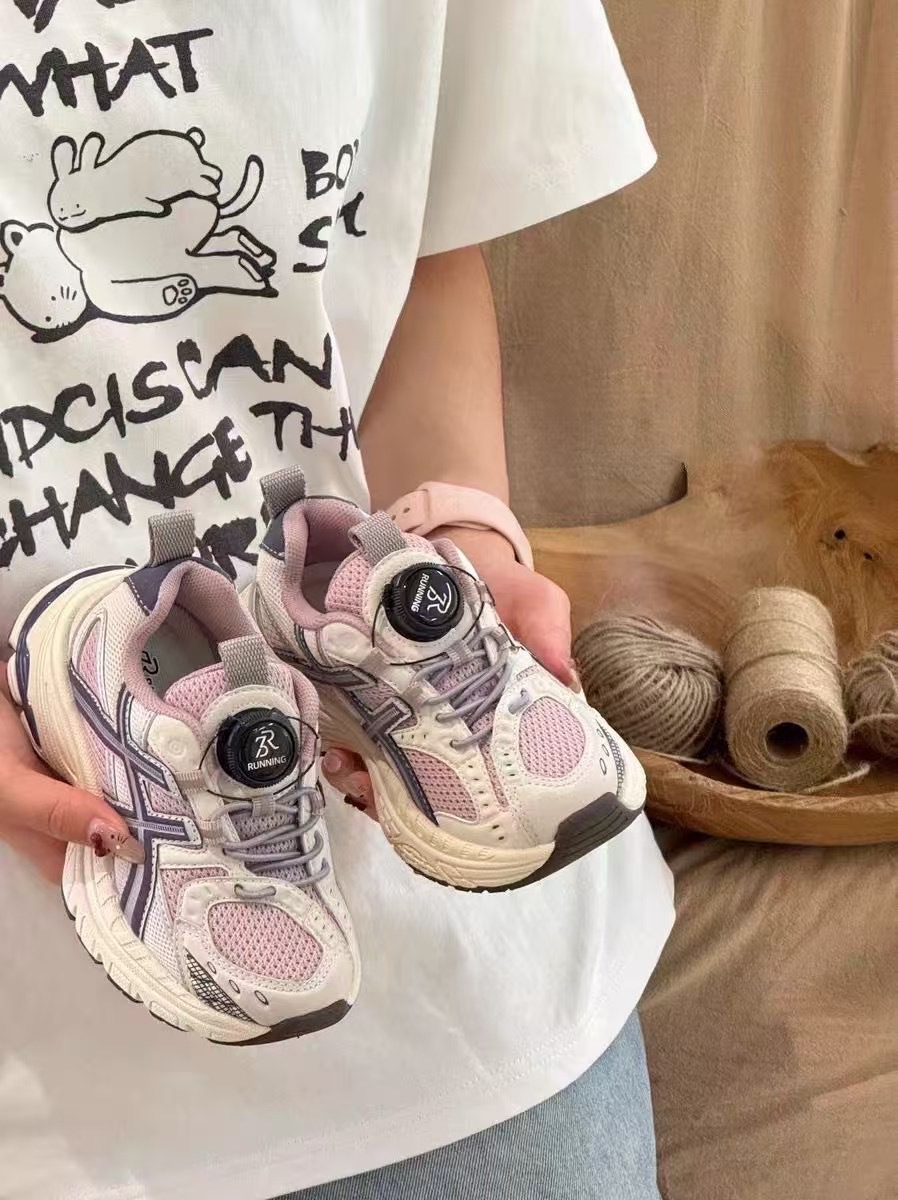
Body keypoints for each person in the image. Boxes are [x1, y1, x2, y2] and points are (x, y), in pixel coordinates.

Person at [0, 3, 674, 1197]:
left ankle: (374, 629)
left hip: (463, 1025)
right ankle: (110, 691)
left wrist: (461, 528)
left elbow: (415, 234)